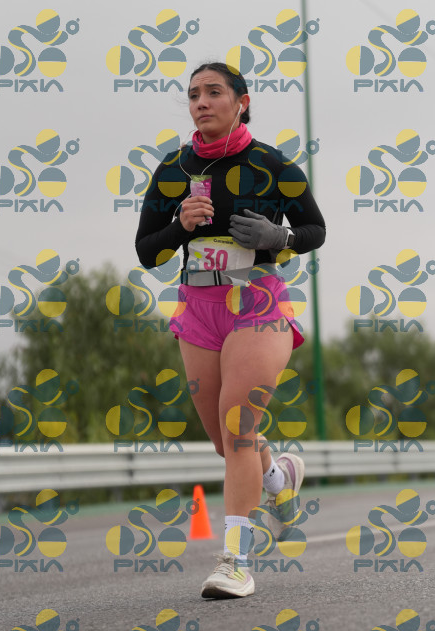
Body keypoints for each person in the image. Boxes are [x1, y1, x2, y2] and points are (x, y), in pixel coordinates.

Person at [135, 61, 326, 599]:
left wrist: (279, 237)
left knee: (239, 426)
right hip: (198, 306)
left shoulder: (273, 164)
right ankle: (278, 478)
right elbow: (147, 251)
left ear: (242, 102)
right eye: (194, 93)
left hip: (258, 302)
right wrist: (179, 226)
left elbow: (315, 229)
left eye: (214, 92)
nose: (201, 101)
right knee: (226, 442)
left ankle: (236, 563)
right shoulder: (174, 168)